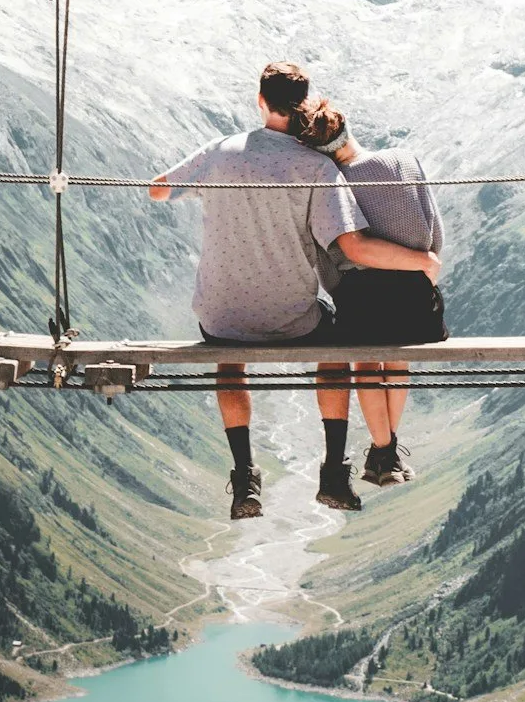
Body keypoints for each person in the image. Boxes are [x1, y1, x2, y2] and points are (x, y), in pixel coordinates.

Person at [149, 62, 371, 521]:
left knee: (228, 360)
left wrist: (211, 189)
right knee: (336, 348)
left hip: (221, 315)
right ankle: (332, 471)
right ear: (304, 103)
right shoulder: (316, 166)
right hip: (292, 318)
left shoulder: (222, 152)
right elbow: (343, 241)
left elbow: (158, 190)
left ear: (260, 100)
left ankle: (245, 475)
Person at [295, 101, 444, 489]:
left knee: (365, 365)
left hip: (362, 298)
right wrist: (421, 267)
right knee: (397, 362)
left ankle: (385, 449)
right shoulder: (404, 160)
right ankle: (386, 453)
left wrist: (341, 289)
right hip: (417, 299)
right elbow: (435, 234)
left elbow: (330, 259)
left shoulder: (331, 184)